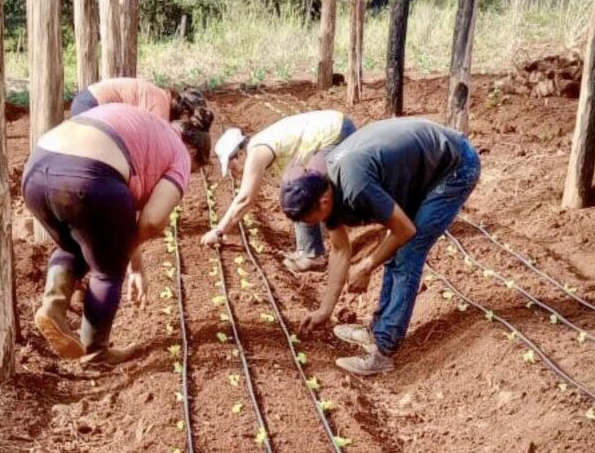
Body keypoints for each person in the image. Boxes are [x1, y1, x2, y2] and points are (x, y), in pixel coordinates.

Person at [279, 117, 480, 376]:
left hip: (454, 166)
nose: (312, 226)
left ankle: (384, 350)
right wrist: (325, 310)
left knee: (409, 250)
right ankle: (377, 331)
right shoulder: (322, 185)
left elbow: (405, 230)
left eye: (310, 220)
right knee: (396, 245)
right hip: (422, 166)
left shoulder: (354, 184)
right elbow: (340, 250)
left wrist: (367, 265)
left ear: (324, 201)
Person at [22, 103, 213, 363]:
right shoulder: (180, 153)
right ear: (193, 150)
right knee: (108, 270)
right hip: (89, 177)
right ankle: (95, 352)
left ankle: (53, 307)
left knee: (75, 246)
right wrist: (125, 249)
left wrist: (136, 263)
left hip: (36, 170)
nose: (189, 175)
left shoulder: (149, 125)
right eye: (196, 169)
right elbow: (153, 221)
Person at [201, 110, 356, 273]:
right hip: (333, 129)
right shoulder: (259, 150)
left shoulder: (257, 151)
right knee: (296, 191)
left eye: (233, 166)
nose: (234, 172)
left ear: (240, 154)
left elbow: (246, 198)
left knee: (302, 192)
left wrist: (219, 231)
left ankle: (313, 256)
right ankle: (309, 250)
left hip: (335, 134)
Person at [70, 76, 206, 122]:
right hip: (92, 105)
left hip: (86, 99)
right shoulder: (160, 109)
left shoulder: (161, 96)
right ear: (185, 112)